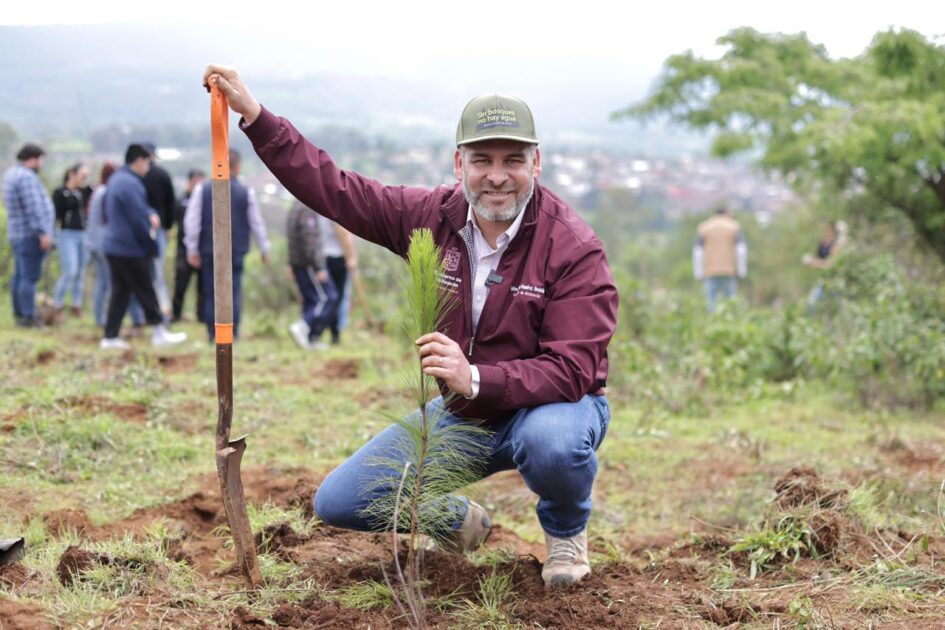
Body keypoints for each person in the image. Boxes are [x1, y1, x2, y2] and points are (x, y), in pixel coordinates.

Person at [204, 65, 618, 587]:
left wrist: (476, 378)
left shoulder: (572, 246)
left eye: (513, 160)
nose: (497, 175)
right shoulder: (431, 218)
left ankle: (564, 536)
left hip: (553, 407)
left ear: (536, 164)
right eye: (481, 160)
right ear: (458, 162)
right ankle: (460, 522)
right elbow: (337, 190)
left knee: (552, 443)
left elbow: (574, 368)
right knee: (340, 500)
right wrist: (257, 117)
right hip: (469, 414)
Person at [100, 144, 187, 350]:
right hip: (129, 247)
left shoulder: (118, 179)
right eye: (148, 161)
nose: (149, 166)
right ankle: (158, 331)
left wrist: (150, 213)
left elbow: (140, 211)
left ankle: (110, 337)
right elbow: (138, 218)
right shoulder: (129, 183)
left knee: (120, 292)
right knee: (145, 288)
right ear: (138, 161)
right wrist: (151, 244)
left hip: (115, 245)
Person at [184, 149, 270, 341]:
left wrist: (192, 248)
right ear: (237, 166)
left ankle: (212, 334)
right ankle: (233, 333)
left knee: (210, 293)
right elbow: (256, 222)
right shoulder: (246, 192)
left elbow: (192, 221)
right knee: (234, 292)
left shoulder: (202, 189)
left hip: (208, 250)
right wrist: (264, 247)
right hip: (236, 250)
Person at [85, 162, 146, 329]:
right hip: (105, 243)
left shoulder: (97, 191)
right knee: (115, 285)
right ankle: (114, 321)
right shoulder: (106, 192)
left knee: (102, 282)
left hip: (93, 242)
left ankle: (100, 318)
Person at [3, 143, 54, 327]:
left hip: (17, 232)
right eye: (40, 160)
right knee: (29, 277)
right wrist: (43, 232)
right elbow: (34, 209)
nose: (41, 164)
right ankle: (28, 316)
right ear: (33, 158)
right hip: (29, 234)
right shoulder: (26, 178)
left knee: (20, 275)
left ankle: (20, 313)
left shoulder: (10, 175)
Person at [286, 200, 339, 350]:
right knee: (327, 298)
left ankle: (311, 339)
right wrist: (319, 267)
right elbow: (310, 241)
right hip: (308, 264)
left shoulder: (295, 206)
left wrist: (290, 262)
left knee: (311, 299)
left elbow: (291, 238)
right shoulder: (306, 208)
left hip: (299, 263)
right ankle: (303, 326)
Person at [51, 163, 91, 319]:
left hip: (84, 234)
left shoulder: (85, 191)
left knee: (80, 272)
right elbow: (55, 216)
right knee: (70, 270)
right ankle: (57, 304)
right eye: (82, 174)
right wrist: (54, 236)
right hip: (67, 234)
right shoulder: (61, 193)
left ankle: (76, 305)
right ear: (72, 174)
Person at [142, 142, 175, 317]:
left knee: (142, 273)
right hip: (159, 229)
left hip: (140, 230)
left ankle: (145, 314)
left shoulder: (135, 176)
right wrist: (168, 225)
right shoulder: (162, 175)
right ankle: (162, 312)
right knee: (158, 274)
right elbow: (171, 203)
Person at [692, 207, 747, 313]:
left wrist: (698, 272)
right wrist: (742, 271)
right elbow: (741, 250)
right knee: (731, 304)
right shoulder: (734, 227)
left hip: (709, 271)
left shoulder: (704, 227)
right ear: (727, 213)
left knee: (710, 304)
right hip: (729, 270)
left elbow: (698, 252)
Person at [171, 169, 206, 323]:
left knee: (203, 287)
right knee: (180, 285)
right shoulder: (181, 200)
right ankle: (176, 314)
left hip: (203, 249)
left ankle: (202, 316)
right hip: (183, 249)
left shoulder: (207, 199)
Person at [317, 214, 358, 345]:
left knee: (331, 297)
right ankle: (330, 333)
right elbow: (343, 232)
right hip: (337, 258)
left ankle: (330, 332)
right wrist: (351, 257)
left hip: (324, 257)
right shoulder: (335, 209)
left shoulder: (320, 207)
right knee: (336, 298)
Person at [803, 220, 847, 312]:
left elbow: (830, 263)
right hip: (824, 281)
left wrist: (812, 262)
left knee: (839, 306)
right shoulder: (821, 245)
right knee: (811, 304)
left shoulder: (835, 244)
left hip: (834, 281)